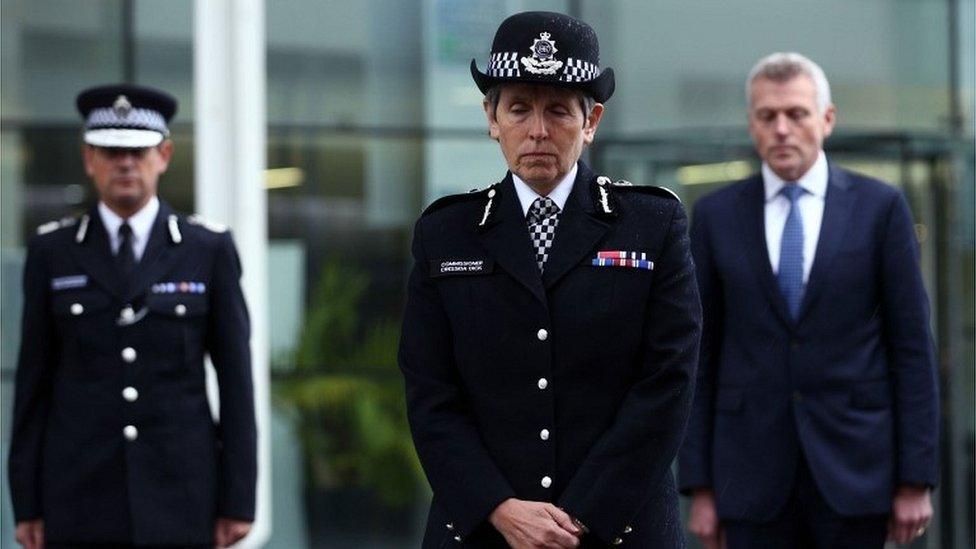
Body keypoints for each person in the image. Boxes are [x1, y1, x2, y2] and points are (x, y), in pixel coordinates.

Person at [398, 11, 701, 548]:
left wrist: (579, 518)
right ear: (492, 117)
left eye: (559, 110)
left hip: (618, 529)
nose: (537, 130)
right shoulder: (446, 233)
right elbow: (431, 394)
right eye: (518, 109)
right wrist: (501, 509)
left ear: (592, 122)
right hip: (484, 529)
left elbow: (667, 384)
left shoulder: (652, 224)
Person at [678, 52, 939, 549]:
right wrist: (701, 486)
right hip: (748, 480)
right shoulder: (715, 216)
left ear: (827, 119)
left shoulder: (880, 208)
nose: (781, 129)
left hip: (857, 475)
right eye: (766, 115)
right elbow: (699, 356)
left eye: (795, 113)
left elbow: (911, 348)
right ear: (751, 123)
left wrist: (915, 478)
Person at [9, 84, 256, 548]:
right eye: (110, 151)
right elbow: (33, 386)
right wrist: (27, 502)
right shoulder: (52, 252)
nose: (125, 163)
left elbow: (236, 383)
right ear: (88, 159)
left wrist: (238, 498)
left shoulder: (208, 250)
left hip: (181, 491)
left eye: (138, 151)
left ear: (164, 154)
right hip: (77, 494)